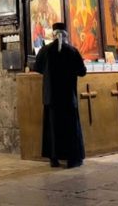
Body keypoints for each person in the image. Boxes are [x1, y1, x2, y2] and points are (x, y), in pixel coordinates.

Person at [33, 22, 87, 169]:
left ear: (53, 34)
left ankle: (54, 158)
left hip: (51, 97)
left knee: (52, 128)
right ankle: (72, 159)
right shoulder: (72, 51)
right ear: (66, 35)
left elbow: (37, 68)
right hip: (68, 97)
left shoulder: (45, 50)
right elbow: (82, 71)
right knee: (70, 128)